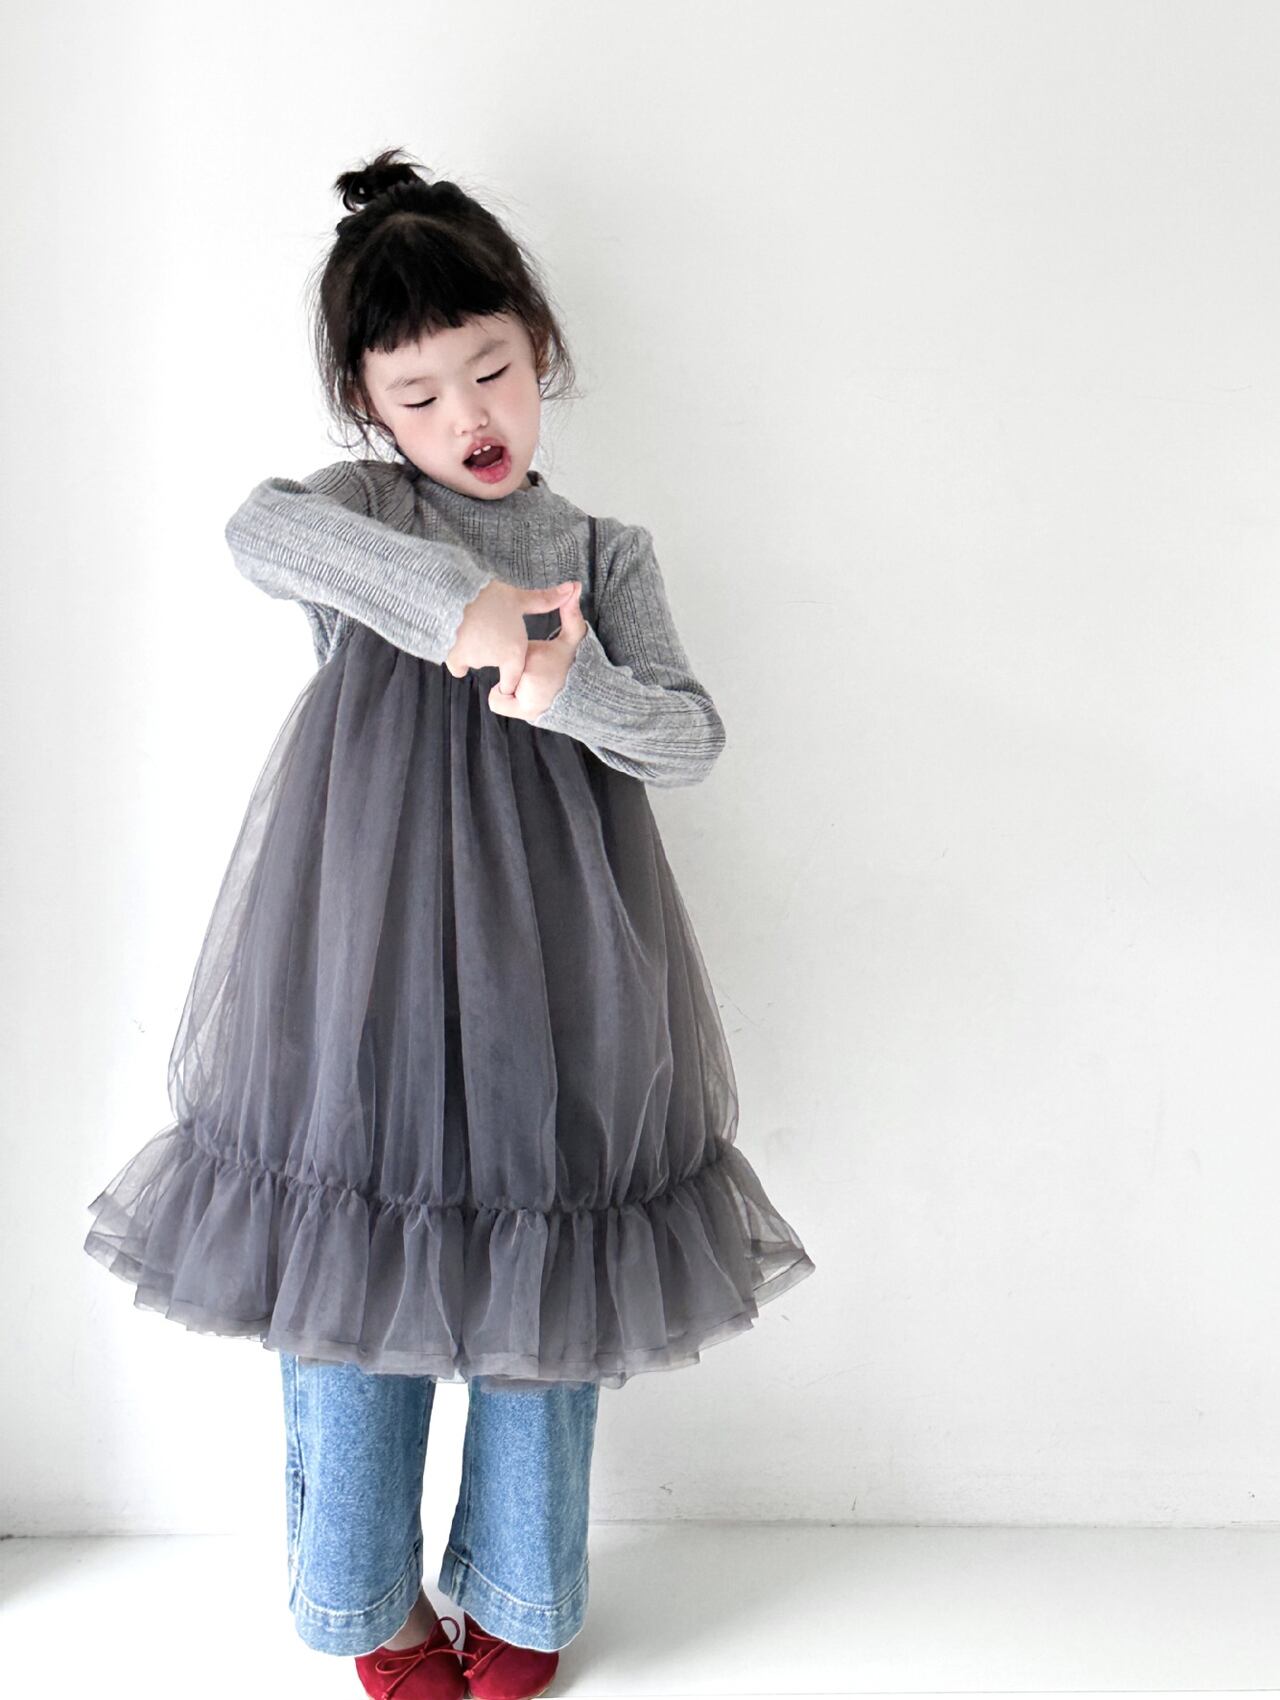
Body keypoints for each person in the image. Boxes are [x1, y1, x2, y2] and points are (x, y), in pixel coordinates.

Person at [82, 147, 816, 1700]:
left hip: (563, 972)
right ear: (369, 409)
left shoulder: (602, 552)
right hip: (356, 972)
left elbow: (687, 738)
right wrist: (463, 612)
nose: (465, 416)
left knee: (551, 1264)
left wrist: (567, 683)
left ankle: (526, 1591)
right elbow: (257, 531)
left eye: (490, 371)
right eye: (416, 394)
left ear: (539, 351)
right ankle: (371, 1603)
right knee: (354, 1277)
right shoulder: (363, 515)